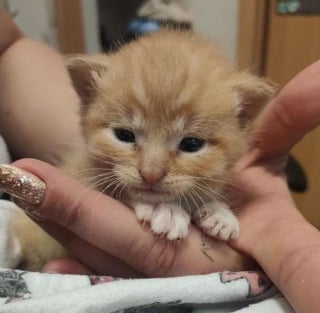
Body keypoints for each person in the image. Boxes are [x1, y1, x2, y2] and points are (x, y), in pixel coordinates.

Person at [1, 8, 320, 313]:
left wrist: (212, 206)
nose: (150, 171)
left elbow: (9, 48)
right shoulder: (93, 164)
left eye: (191, 143)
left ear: (244, 118)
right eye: (126, 136)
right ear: (87, 94)